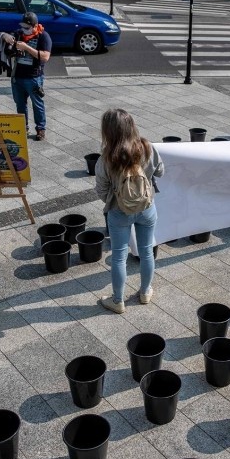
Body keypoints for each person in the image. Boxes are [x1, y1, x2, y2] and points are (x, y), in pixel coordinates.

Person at [95, 109, 164, 314]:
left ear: (107, 131)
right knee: (146, 251)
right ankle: (145, 292)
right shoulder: (147, 147)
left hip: (119, 212)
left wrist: (116, 199)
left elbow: (102, 189)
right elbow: (160, 171)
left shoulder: (106, 158)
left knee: (118, 256)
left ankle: (118, 301)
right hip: (146, 207)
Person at [2, 12, 51, 141]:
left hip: (34, 77)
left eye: (27, 27)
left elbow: (45, 57)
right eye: (23, 26)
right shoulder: (19, 34)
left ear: (35, 26)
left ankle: (41, 129)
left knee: (37, 104)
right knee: (20, 104)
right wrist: (5, 36)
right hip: (18, 76)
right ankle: (23, 127)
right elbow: (8, 36)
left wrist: (26, 47)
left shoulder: (43, 36)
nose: (25, 30)